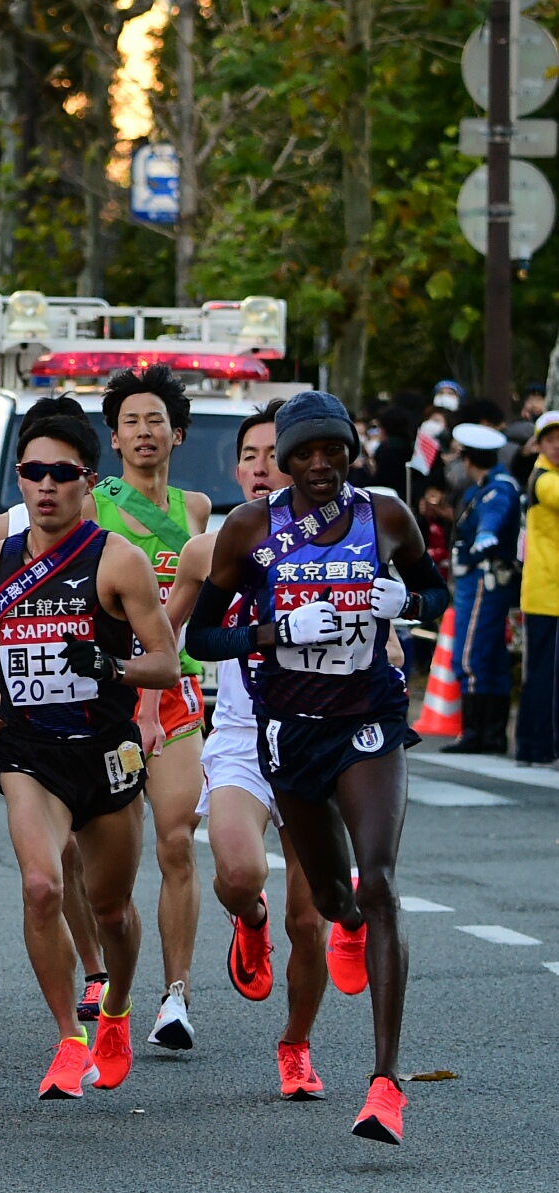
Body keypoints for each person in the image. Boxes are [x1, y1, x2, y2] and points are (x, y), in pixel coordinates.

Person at [186, 389, 450, 1144]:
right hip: (287, 731)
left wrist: (405, 600)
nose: (319, 465)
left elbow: (436, 588)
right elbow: (203, 638)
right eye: (303, 453)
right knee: (333, 897)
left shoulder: (384, 516)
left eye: (331, 450)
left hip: (368, 720)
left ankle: (383, 1084)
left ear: (347, 453)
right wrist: (275, 630)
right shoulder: (248, 530)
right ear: (284, 461)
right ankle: (343, 919)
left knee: (382, 883)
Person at [0, 410, 178, 1101]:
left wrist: (111, 666)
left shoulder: (118, 561)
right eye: (32, 473)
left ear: (89, 481)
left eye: (61, 474)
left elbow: (166, 663)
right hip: (30, 752)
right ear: (17, 479)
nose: (45, 486)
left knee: (110, 910)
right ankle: (67, 1038)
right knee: (41, 885)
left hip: (105, 753)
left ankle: (114, 1010)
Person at [165, 400, 333, 1099]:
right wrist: (138, 693)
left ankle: (294, 1045)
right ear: (237, 468)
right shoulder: (217, 547)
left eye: (280, 452)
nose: (266, 466)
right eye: (254, 456)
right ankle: (249, 921)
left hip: (318, 732)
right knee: (236, 874)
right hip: (239, 734)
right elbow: (165, 630)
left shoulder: (338, 540)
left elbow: (373, 634)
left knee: (311, 916)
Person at [92, 366, 211, 1050]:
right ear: (113, 438)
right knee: (100, 861)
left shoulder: (194, 509)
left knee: (174, 841)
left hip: (173, 691)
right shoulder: (91, 506)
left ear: (176, 433)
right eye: (131, 421)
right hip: (106, 693)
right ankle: (108, 982)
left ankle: (176, 995)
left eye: (155, 420)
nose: (144, 431)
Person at [441, 423, 521, 755]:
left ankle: (476, 731)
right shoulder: (485, 485)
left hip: (482, 579)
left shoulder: (496, 488)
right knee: (491, 656)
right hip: (478, 580)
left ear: (470, 460)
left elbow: (494, 513)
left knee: (472, 654)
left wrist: (487, 533)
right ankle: (490, 733)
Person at [517, 414, 559, 765]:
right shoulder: (543, 478)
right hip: (545, 594)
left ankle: (536, 746)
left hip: (550, 594)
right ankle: (537, 745)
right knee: (543, 675)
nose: (557, 445)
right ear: (539, 444)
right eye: (550, 439)